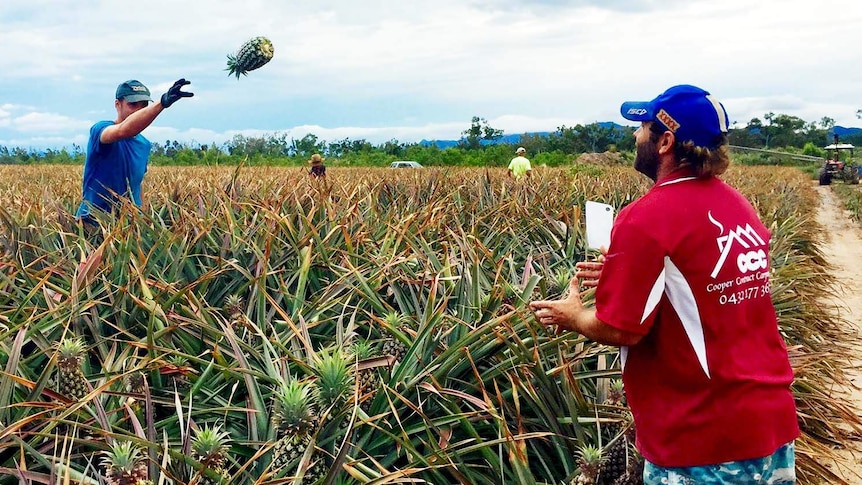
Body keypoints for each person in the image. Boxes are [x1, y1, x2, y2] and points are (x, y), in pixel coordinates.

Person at [530, 85, 799, 484]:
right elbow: (709, 282)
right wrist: (633, 276)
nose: (634, 136)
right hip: (769, 422)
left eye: (641, 127)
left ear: (665, 142)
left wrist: (574, 315)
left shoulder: (646, 218)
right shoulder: (737, 205)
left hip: (702, 438)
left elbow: (621, 328)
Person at [75, 78, 193, 223]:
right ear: (117, 105)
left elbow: (137, 185)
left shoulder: (144, 144)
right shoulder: (100, 129)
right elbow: (123, 130)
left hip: (129, 225)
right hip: (93, 222)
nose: (138, 110)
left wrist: (143, 218)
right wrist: (162, 103)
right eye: (132, 104)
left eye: (144, 105)